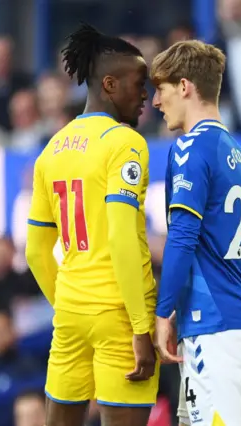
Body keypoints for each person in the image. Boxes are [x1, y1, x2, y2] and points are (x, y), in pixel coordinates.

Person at [25, 23, 158, 426]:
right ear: (110, 83)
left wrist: (66, 305)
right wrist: (140, 327)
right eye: (140, 84)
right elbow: (120, 236)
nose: (147, 97)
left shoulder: (51, 149)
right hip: (118, 313)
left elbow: (35, 251)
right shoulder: (125, 143)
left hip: (69, 313)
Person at [150, 40, 241, 426]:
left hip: (212, 325)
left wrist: (164, 312)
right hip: (233, 320)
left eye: (161, 89)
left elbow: (182, 236)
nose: (155, 102)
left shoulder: (189, 149)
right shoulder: (236, 153)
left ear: (184, 87)